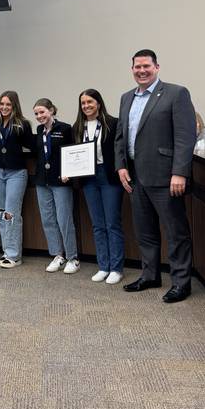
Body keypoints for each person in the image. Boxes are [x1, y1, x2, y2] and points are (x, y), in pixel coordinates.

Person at [114, 49, 196, 303]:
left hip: (165, 177)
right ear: (132, 70)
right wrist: (121, 166)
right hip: (135, 177)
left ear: (157, 67)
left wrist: (179, 172)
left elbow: (185, 136)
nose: (141, 71)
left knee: (175, 232)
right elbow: (121, 136)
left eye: (146, 66)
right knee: (144, 231)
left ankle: (181, 283)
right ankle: (150, 275)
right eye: (137, 67)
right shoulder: (126, 98)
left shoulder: (176, 93)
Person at [73, 90, 125, 284]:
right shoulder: (78, 127)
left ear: (99, 103)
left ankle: (116, 268)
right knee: (97, 224)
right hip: (88, 178)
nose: (86, 106)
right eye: (83, 103)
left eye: (90, 102)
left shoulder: (113, 123)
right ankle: (103, 266)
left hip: (108, 176)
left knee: (112, 223)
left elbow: (120, 151)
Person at [32, 98, 79, 274]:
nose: (39, 116)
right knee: (48, 219)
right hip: (42, 181)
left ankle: (72, 258)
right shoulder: (39, 130)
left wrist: (70, 172)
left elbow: (74, 153)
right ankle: (58, 255)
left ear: (51, 110)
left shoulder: (65, 129)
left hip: (61, 181)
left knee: (64, 219)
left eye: (42, 112)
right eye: (36, 113)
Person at [0, 90, 34, 269]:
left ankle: (15, 255)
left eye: (8, 104)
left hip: (16, 173)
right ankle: (6, 251)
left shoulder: (22, 124)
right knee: (1, 213)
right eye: (2, 104)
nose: (4, 107)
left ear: (14, 106)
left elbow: (32, 146)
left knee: (11, 214)